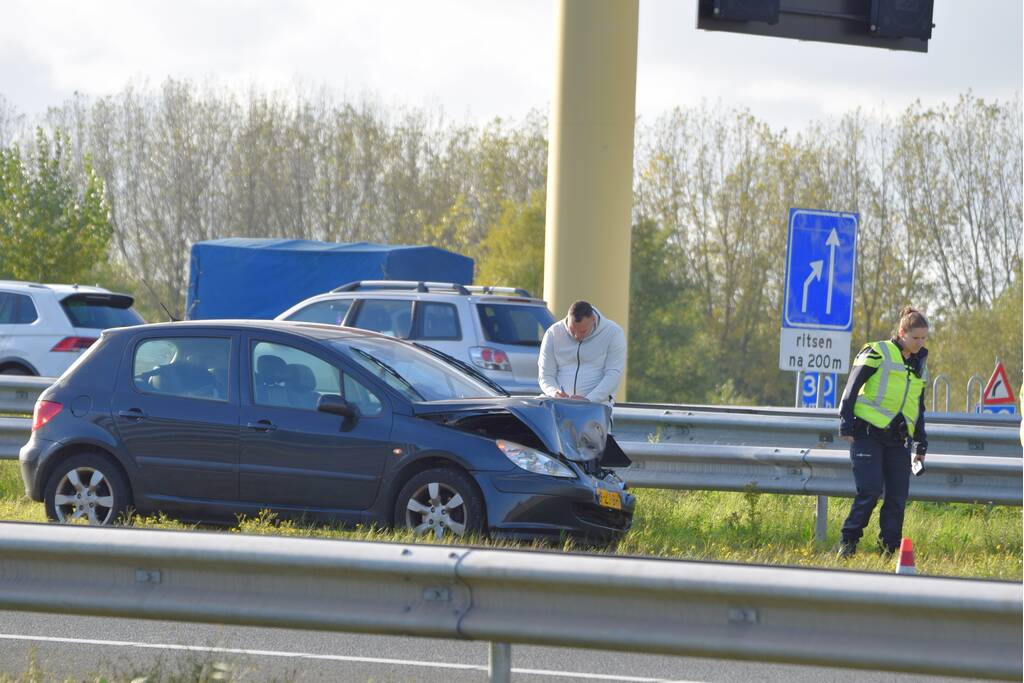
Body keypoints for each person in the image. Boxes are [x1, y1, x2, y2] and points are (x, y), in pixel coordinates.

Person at [836, 306, 929, 558]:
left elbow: (918, 407)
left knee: (897, 497)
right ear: (901, 332)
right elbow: (852, 387)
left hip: (898, 439)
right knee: (870, 491)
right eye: (915, 338)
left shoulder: (919, 363)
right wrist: (845, 421)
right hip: (867, 433)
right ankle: (848, 542)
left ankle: (889, 550)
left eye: (923, 338)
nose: (920, 343)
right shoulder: (878, 351)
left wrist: (921, 444)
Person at [538, 300, 627, 405]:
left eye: (583, 331)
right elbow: (545, 375)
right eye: (572, 330)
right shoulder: (552, 333)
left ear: (593, 320)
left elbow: (613, 375)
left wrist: (589, 400)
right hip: (558, 406)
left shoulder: (613, 333)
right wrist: (554, 392)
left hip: (597, 407)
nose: (577, 336)